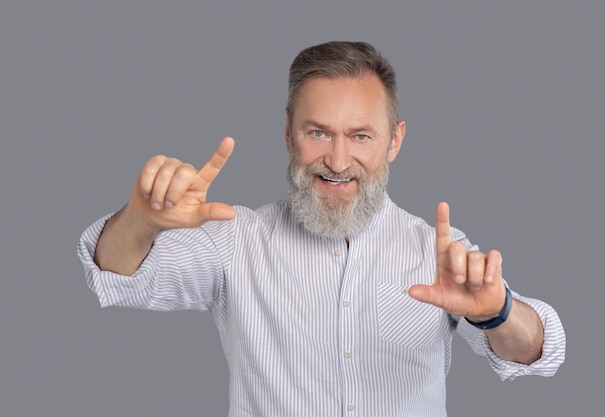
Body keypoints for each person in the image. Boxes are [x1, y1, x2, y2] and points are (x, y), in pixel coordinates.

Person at [78, 41, 565, 417]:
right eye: (318, 133)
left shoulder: (436, 253)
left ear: (394, 140)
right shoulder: (236, 241)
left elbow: (538, 353)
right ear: (288, 133)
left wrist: (497, 312)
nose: (336, 161)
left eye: (359, 136)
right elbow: (119, 274)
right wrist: (141, 219)